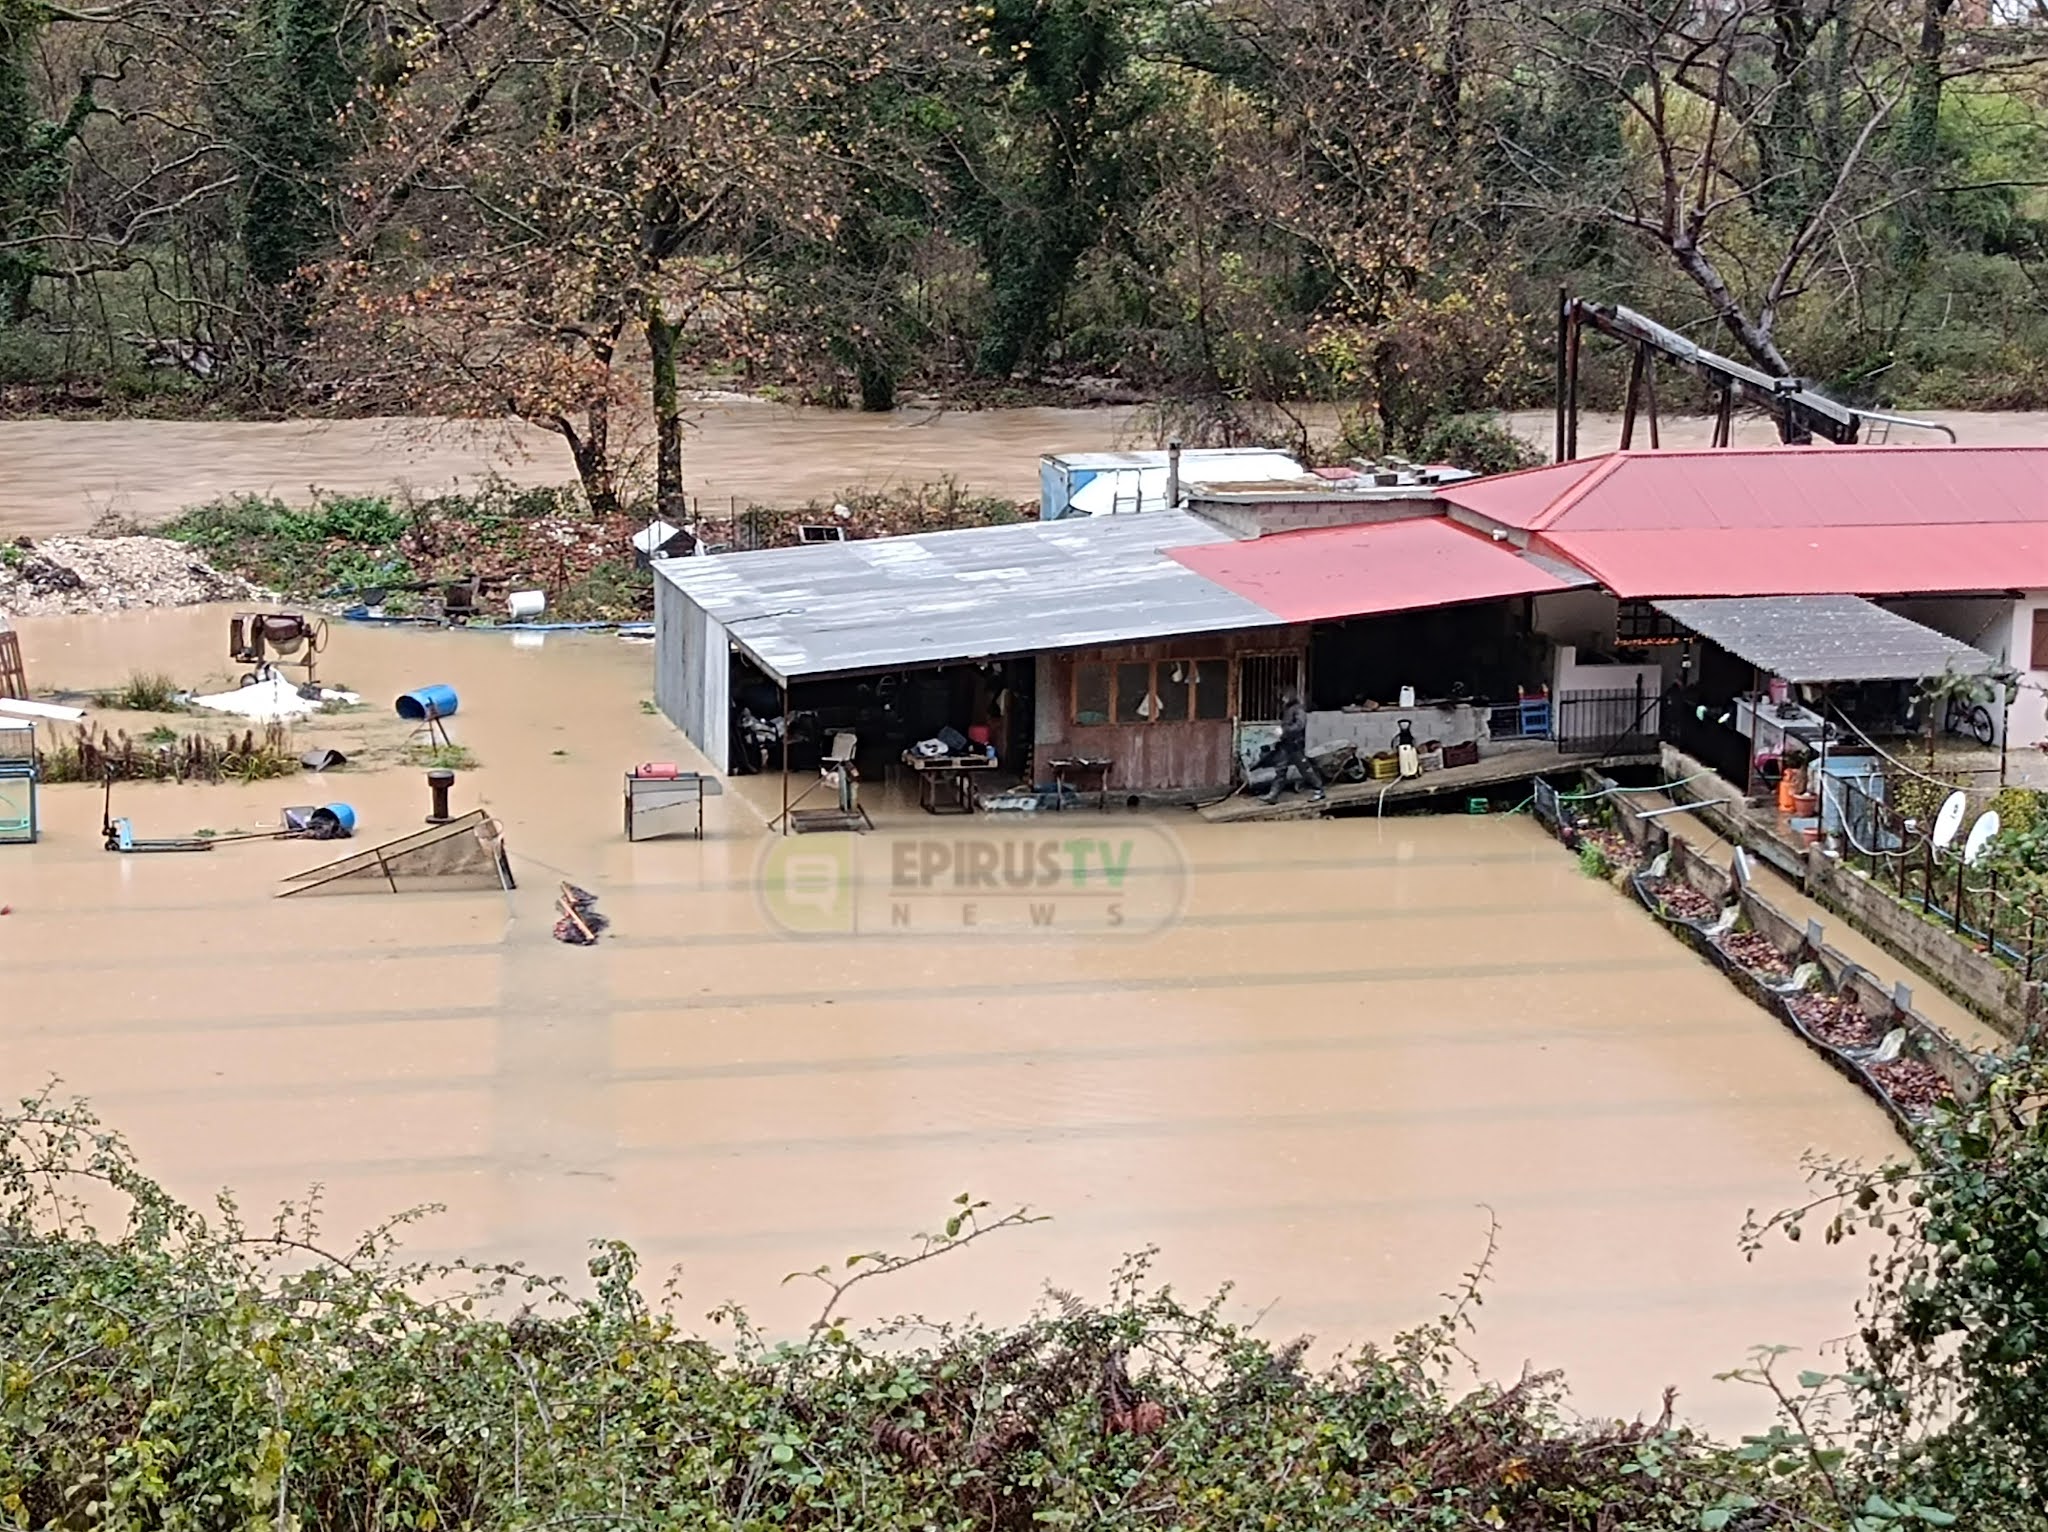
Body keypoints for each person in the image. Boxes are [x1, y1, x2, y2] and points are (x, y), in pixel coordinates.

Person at [1263, 687, 1324, 804]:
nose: (1283, 699)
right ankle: (1273, 795)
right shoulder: (1287, 709)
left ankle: (1319, 790)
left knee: (1305, 769)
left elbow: (1300, 725)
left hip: (1295, 744)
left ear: (1291, 696)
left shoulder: (1298, 709)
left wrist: (1284, 731)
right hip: (1286, 744)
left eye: (1285, 696)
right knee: (1280, 770)